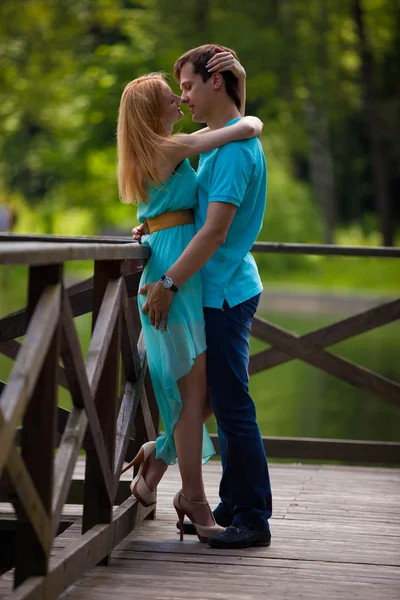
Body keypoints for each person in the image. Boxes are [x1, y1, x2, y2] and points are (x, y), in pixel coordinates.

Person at [117, 54, 263, 543]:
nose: (180, 98)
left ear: (213, 82)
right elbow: (235, 131)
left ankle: (158, 463)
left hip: (185, 272)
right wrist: (248, 111)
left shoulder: (168, 148)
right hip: (177, 276)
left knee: (199, 393)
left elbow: (186, 207)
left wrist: (154, 226)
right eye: (171, 92)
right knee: (196, 392)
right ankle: (193, 497)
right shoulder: (175, 146)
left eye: (184, 87)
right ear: (150, 109)